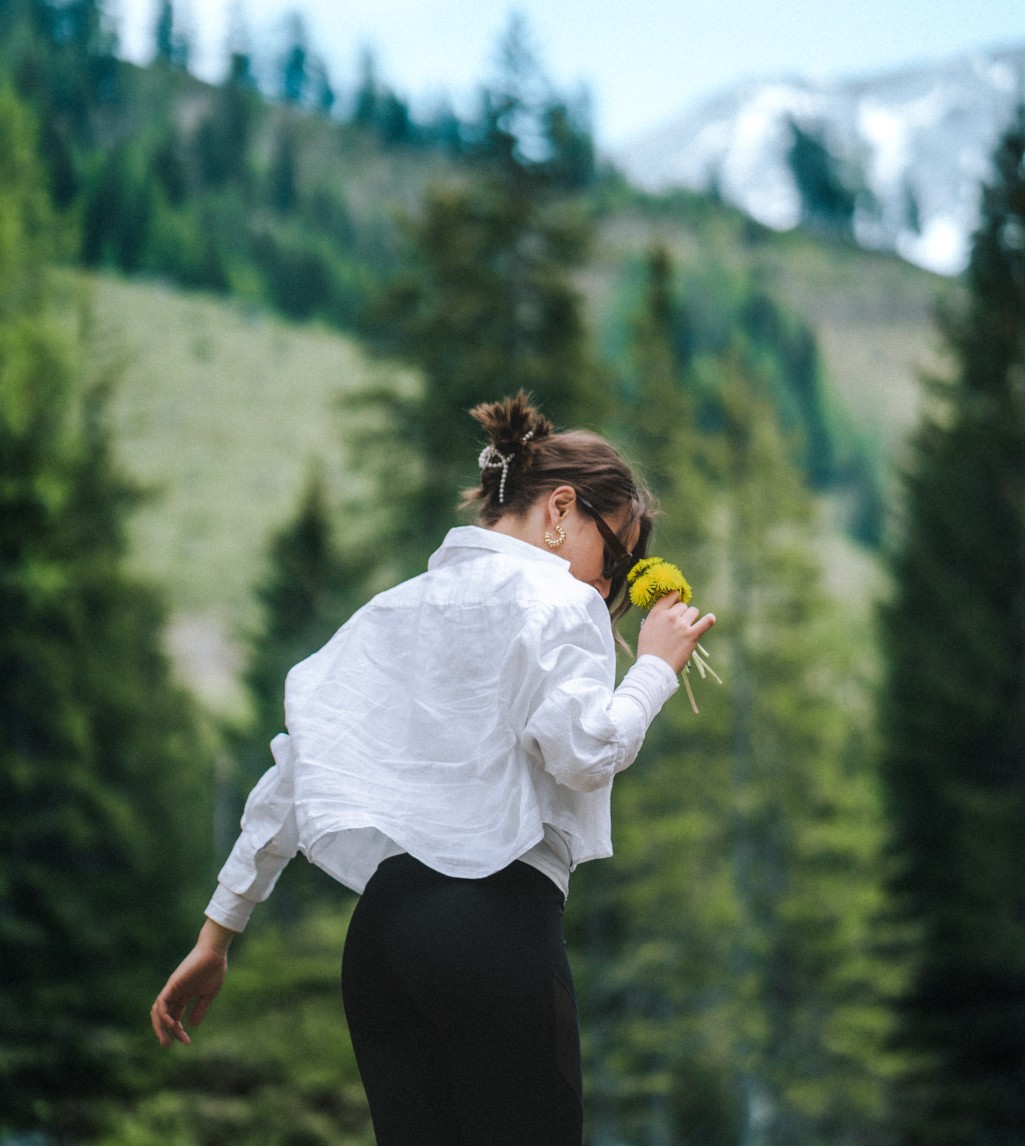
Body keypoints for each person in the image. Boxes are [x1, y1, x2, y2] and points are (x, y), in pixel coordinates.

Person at [151, 392, 716, 1146]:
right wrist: (653, 670)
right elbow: (585, 753)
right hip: (495, 921)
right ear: (560, 508)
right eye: (614, 559)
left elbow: (292, 779)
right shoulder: (558, 599)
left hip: (382, 938)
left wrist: (217, 936)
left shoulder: (390, 612)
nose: (608, 589)